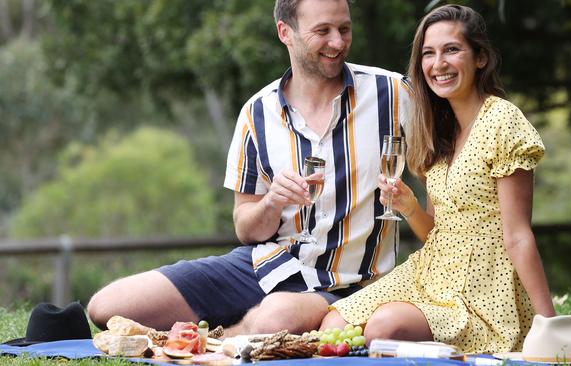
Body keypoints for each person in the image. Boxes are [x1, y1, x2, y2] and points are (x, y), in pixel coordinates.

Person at [87, 0, 411, 336]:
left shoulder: (393, 94)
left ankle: (215, 342)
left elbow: (447, 168)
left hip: (349, 286)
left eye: (344, 29)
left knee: (274, 319)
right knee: (107, 306)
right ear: (286, 32)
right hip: (266, 265)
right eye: (323, 31)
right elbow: (245, 227)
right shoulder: (257, 113)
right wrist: (272, 202)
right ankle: (226, 333)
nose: (338, 42)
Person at [321, 4, 556, 353]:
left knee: (384, 327)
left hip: (483, 290)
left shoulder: (503, 121)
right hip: (431, 273)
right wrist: (409, 207)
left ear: (480, 58)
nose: (438, 64)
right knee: (333, 324)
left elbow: (518, 235)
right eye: (428, 54)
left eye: (452, 50)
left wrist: (550, 325)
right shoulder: (438, 128)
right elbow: (437, 231)